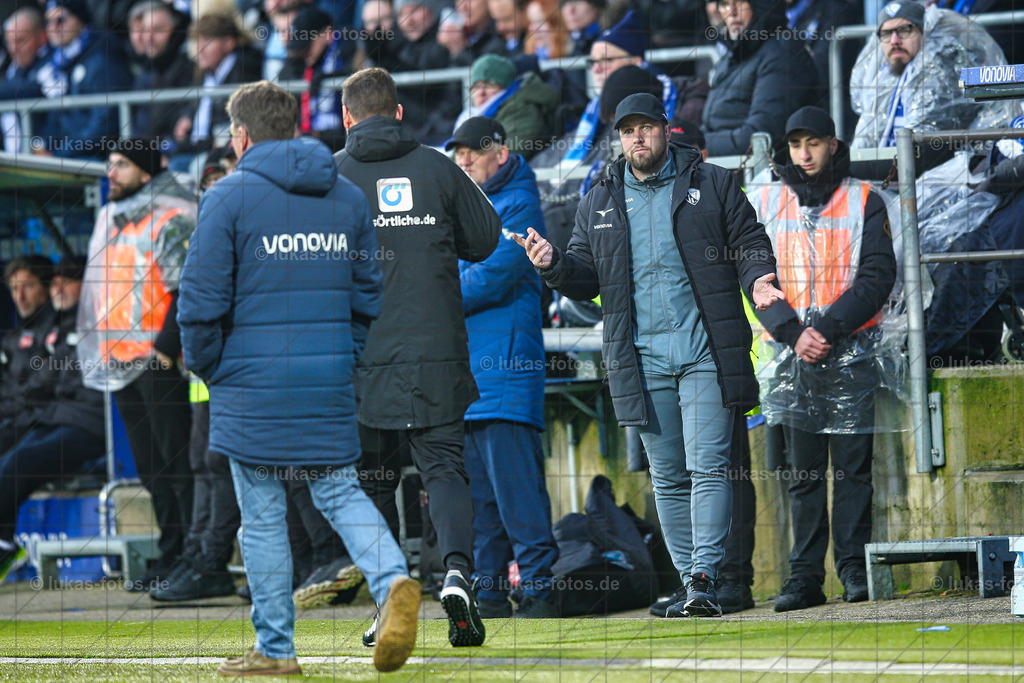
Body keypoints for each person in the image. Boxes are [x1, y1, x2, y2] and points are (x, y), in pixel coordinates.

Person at [177, 80, 420, 676]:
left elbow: (199, 304)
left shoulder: (226, 198)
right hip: (329, 374)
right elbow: (369, 294)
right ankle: (393, 582)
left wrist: (212, 368)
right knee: (338, 490)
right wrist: (345, 354)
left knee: (261, 514)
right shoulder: (344, 197)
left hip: (249, 382)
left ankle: (277, 651)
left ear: (242, 135)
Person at [516, 93, 786, 618]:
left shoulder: (713, 183)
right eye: (627, 131)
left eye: (646, 128)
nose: (637, 137)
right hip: (640, 360)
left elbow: (751, 242)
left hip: (706, 350)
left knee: (709, 466)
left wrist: (760, 282)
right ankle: (692, 586)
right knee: (668, 476)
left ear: (666, 131)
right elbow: (584, 276)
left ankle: (706, 574)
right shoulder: (599, 198)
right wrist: (551, 265)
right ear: (619, 139)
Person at [334, 67, 501, 646]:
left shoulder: (331, 178)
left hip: (363, 359)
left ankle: (389, 598)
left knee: (374, 482)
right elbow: (485, 240)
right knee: (445, 469)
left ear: (347, 118)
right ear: (399, 112)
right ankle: (457, 574)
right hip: (437, 351)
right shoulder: (437, 166)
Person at [749, 107, 897, 611]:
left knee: (854, 469)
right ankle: (805, 577)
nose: (805, 153)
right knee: (803, 473)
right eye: (796, 144)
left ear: (833, 144)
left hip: (848, 348)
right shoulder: (766, 200)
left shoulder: (864, 199)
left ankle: (855, 570)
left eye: (815, 142)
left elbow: (878, 277)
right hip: (792, 352)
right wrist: (793, 334)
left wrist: (823, 330)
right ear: (786, 150)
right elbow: (752, 277)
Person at [447, 117, 560, 618]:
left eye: (474, 150)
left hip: (508, 370)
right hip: (472, 376)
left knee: (517, 493)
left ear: (501, 152)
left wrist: (441, 287)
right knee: (483, 502)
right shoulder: (465, 204)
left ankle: (540, 589)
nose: (464, 159)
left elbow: (490, 277)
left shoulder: (520, 202)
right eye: (459, 152)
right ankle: (488, 594)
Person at [76, 138, 196, 591]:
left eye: (121, 165)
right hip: (122, 362)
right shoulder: (115, 219)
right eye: (109, 164)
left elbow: (187, 289)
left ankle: (193, 554)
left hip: (158, 363)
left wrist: (166, 351)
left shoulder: (170, 217)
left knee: (177, 461)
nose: (111, 173)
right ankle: (171, 551)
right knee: (151, 466)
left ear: (146, 173)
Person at [0, 255, 105, 582]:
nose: (58, 286)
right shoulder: (61, 327)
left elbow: (43, 384)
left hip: (88, 424)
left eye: (67, 279)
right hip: (55, 418)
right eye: (55, 279)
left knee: (18, 461)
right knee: (11, 460)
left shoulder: (98, 321)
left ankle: (5, 545)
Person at [849, 1, 1012, 157]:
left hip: (946, 176)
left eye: (904, 30)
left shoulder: (951, 71)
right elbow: (864, 148)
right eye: (886, 34)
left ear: (924, 32)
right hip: (890, 175)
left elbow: (1010, 84)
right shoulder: (883, 81)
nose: (894, 41)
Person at [700, 0, 818, 157]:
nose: (732, 12)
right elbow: (709, 124)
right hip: (728, 168)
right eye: (725, 4)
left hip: (765, 174)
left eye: (740, 2)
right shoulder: (732, 56)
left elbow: (760, 137)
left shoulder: (783, 53)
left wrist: (695, 145)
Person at [41, 0, 131, 157]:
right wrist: (45, 146)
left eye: (60, 20)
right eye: (48, 22)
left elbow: (105, 126)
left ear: (79, 20)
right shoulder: (59, 64)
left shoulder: (102, 58)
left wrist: (60, 153)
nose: (53, 27)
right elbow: (56, 117)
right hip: (71, 154)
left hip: (98, 157)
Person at [454, 54, 558, 160]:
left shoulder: (522, 111)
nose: (481, 92)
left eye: (490, 85)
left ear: (507, 87)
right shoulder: (476, 115)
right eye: (476, 86)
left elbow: (504, 157)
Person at [0, 256, 55, 457]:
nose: (20, 296)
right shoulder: (12, 338)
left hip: (38, 422)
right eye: (15, 289)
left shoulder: (58, 334)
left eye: (28, 287)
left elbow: (43, 390)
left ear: (47, 287)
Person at [127, 0, 193, 147]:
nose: (149, 37)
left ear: (174, 30)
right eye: (145, 30)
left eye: (157, 30)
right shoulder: (146, 72)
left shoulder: (188, 68)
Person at [0, 7, 58, 153]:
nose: (14, 49)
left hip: (48, 156)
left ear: (42, 36)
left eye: (20, 41)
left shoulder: (55, 62)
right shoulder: (14, 69)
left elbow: (38, 90)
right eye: (10, 42)